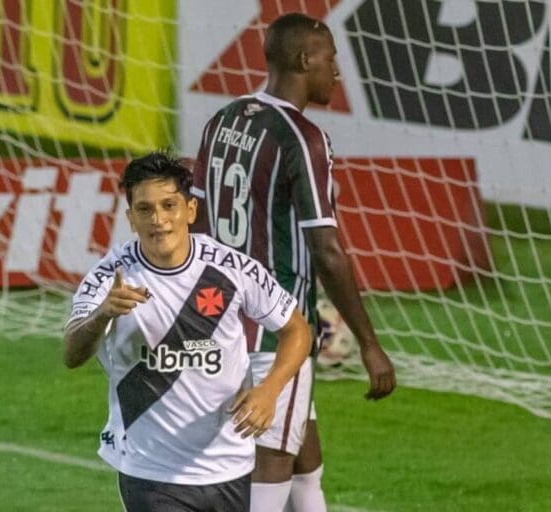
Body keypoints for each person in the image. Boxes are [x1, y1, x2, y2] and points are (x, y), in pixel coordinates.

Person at [190, 13, 396, 512]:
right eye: (330, 60)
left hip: (220, 321)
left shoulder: (223, 119)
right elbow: (326, 249)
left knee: (306, 465)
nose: (336, 72)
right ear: (305, 60)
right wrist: (370, 344)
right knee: (272, 463)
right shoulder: (302, 138)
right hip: (277, 332)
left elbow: (196, 223)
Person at [64, 152, 312, 511]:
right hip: (151, 471)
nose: (159, 220)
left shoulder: (232, 268)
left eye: (169, 205)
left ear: (190, 210)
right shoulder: (109, 277)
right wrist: (102, 315)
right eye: (145, 209)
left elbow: (297, 330)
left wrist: (270, 389)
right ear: (130, 218)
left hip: (229, 463)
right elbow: (72, 353)